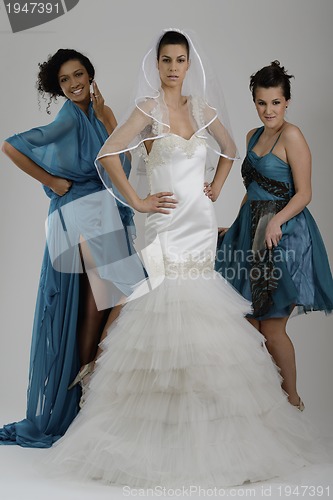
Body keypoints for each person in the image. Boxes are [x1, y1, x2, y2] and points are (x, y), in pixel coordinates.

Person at [47, 31, 325, 488]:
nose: (173, 67)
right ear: (156, 65)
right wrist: (137, 201)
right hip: (163, 221)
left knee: (203, 308)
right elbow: (107, 154)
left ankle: (215, 429)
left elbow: (230, 149)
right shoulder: (148, 109)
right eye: (166, 60)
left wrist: (215, 185)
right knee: (159, 303)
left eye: (180, 60)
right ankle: (156, 431)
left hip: (198, 220)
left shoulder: (201, 109)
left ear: (188, 64)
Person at [0, 49, 145, 448]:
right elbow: (11, 147)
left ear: (90, 74)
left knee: (97, 301)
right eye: (65, 80)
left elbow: (122, 161)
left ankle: (86, 383)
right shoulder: (67, 117)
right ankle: (91, 374)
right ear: (58, 86)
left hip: (103, 210)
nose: (73, 84)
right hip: (79, 213)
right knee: (127, 290)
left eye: (78, 74)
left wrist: (108, 118)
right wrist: (51, 179)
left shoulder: (100, 112)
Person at [215, 60, 333, 411]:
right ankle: (265, 405)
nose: (269, 110)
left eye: (276, 103)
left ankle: (292, 402)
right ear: (255, 102)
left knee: (273, 327)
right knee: (247, 325)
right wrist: (235, 225)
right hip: (249, 232)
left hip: (283, 234)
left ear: (287, 102)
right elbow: (252, 190)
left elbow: (305, 193)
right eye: (262, 103)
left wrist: (275, 221)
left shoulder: (292, 135)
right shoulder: (252, 136)